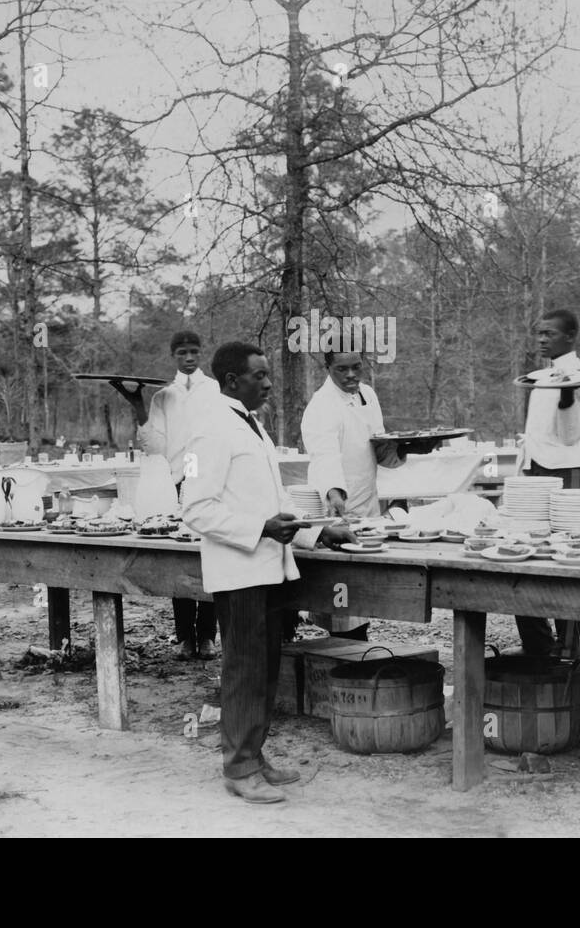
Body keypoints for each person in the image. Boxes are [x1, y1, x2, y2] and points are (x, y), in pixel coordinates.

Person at [182, 341, 351, 804]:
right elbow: (194, 508)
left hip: (269, 569)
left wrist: (316, 535)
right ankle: (237, 768)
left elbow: (272, 505)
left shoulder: (250, 424)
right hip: (238, 572)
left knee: (265, 670)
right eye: (259, 376)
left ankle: (254, 756)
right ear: (232, 380)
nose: (270, 383)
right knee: (243, 671)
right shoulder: (209, 428)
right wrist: (259, 529)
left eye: (268, 374)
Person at [300, 350, 422, 640]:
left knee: (360, 593)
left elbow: (379, 448)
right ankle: (341, 653)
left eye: (357, 367)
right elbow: (323, 453)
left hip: (367, 503)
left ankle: (355, 647)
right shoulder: (322, 405)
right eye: (342, 369)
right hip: (336, 508)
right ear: (327, 367)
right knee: (338, 598)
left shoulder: (368, 395)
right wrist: (333, 491)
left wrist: (406, 448)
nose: (352, 375)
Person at [123, 329, 221, 660]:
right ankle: (185, 637)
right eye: (182, 353)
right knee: (180, 557)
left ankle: (208, 635)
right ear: (173, 356)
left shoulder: (216, 390)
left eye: (194, 351)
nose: (189, 358)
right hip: (178, 480)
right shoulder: (163, 396)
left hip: (210, 480)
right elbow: (155, 445)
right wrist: (138, 406)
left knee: (209, 557)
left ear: (201, 353)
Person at [515, 308, 580, 659]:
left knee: (569, 563)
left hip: (572, 473)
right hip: (536, 473)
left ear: (570, 336)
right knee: (526, 556)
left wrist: (567, 395)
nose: (542, 339)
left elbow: (570, 436)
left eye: (549, 334)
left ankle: (567, 650)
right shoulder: (540, 374)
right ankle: (537, 647)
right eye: (539, 333)